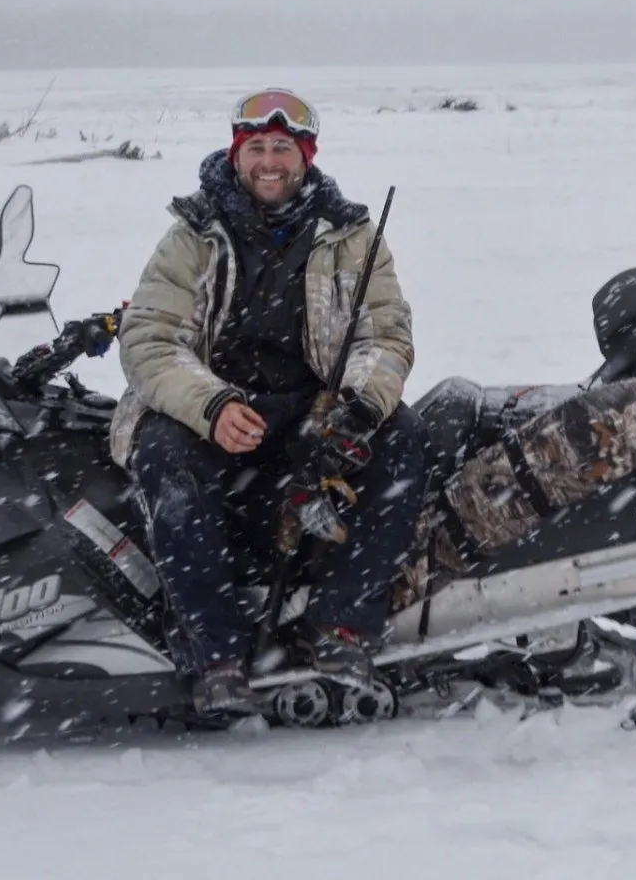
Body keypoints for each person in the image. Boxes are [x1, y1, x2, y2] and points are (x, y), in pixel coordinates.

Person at [114, 89, 423, 717]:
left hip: (311, 407)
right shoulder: (193, 234)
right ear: (237, 155)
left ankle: (340, 627)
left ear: (306, 156)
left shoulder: (352, 235)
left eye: (283, 147)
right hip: (211, 407)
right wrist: (212, 406)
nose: (269, 162)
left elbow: (385, 334)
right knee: (165, 456)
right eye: (256, 147)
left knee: (404, 435)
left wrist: (356, 407)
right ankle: (218, 656)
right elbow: (150, 339)